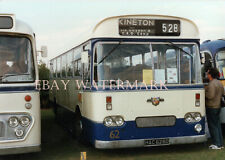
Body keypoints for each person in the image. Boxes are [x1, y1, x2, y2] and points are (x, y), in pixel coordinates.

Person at [205, 68, 224, 149]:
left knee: (212, 126)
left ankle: (216, 143)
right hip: (218, 106)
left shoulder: (211, 84)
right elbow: (223, 93)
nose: (207, 74)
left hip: (211, 106)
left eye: (208, 73)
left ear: (210, 75)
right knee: (217, 125)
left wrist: (204, 93)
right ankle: (220, 143)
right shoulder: (219, 83)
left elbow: (210, 96)